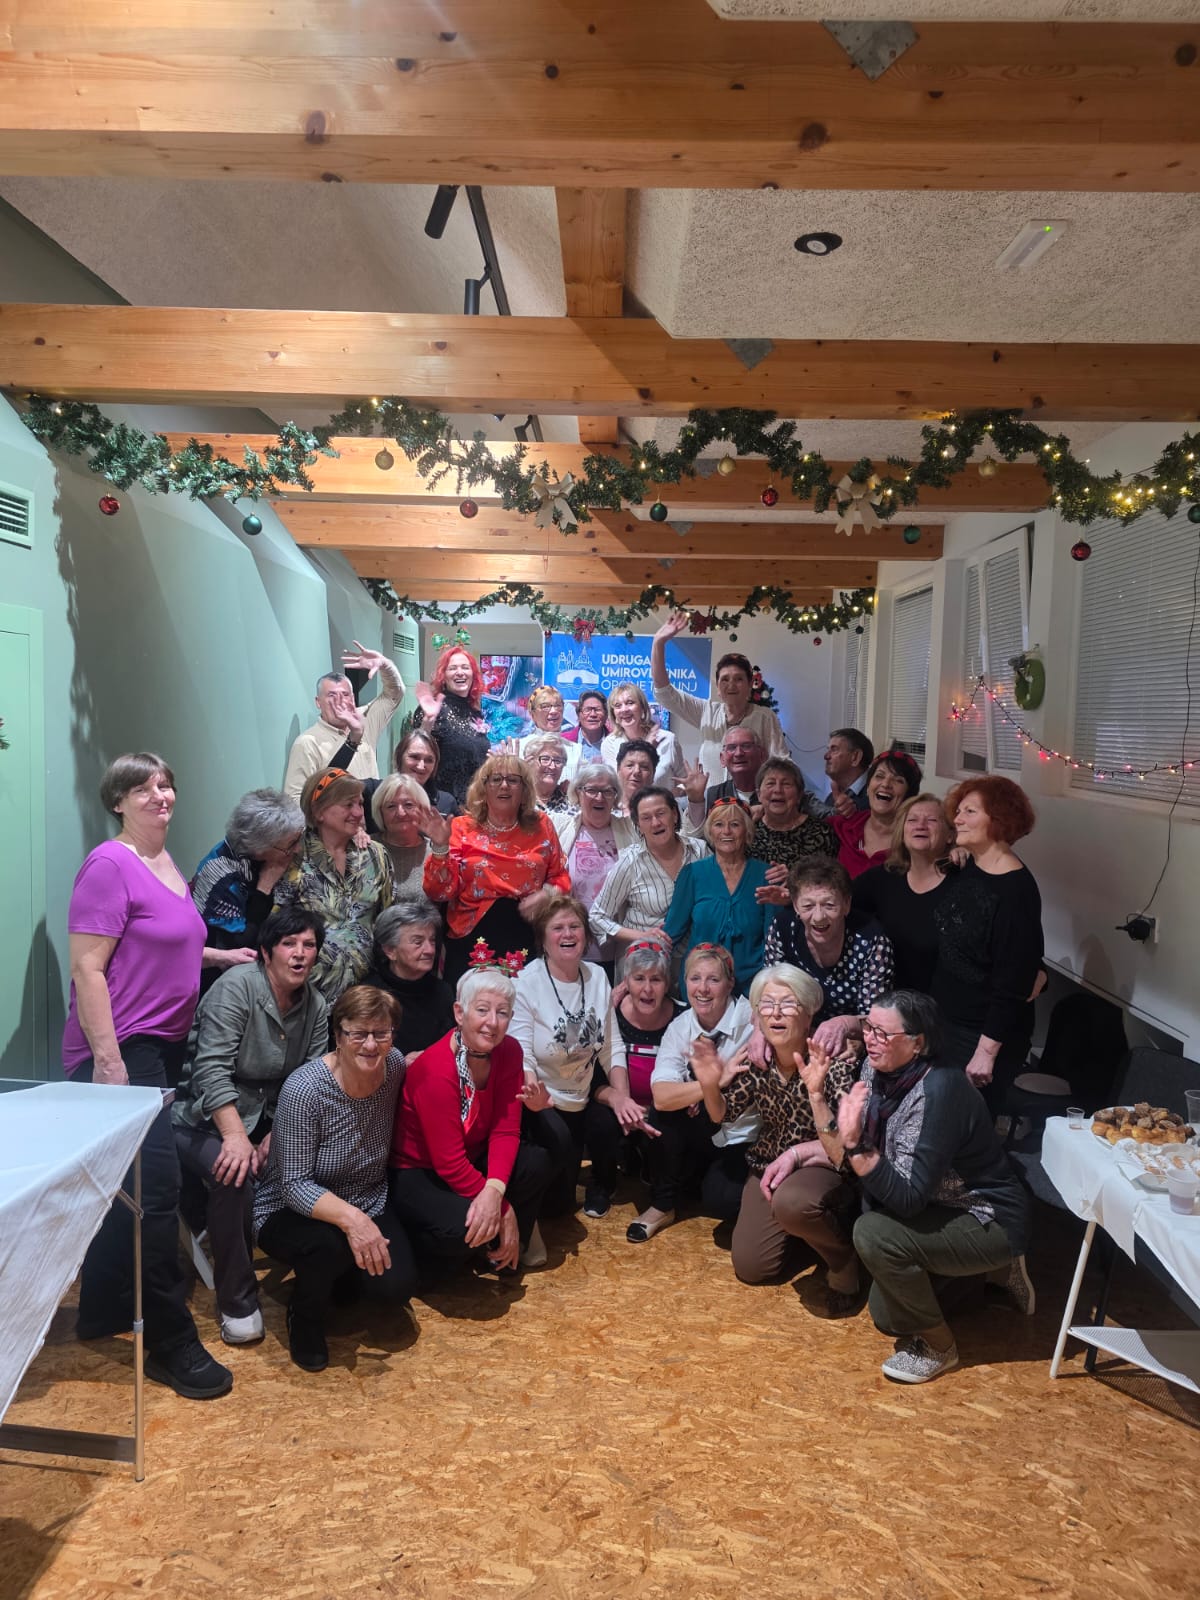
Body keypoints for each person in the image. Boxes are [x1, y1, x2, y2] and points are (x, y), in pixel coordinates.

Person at [63, 752, 231, 1400]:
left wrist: (220, 955)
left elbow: (163, 943)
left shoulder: (165, 863)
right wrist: (109, 1065)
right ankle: (170, 1341)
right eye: (142, 788)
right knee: (157, 1195)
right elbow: (88, 969)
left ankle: (103, 1310)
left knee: (126, 1191)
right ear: (118, 801)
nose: (159, 795)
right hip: (121, 1052)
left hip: (159, 1049)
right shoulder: (111, 864)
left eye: (165, 784)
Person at [840, 990, 1034, 1384]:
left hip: (985, 1215)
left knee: (873, 1234)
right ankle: (989, 1273)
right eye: (868, 1028)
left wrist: (856, 1145)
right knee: (888, 1316)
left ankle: (940, 1348)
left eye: (882, 1033)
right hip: (937, 1205)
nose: (870, 1039)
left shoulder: (940, 1090)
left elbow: (908, 1199)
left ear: (918, 1044)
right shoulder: (875, 1070)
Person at [172, 908, 329, 1345]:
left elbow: (310, 1080)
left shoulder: (316, 1005)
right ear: (265, 951)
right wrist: (237, 1137)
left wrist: (277, 1134)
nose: (300, 954)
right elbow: (210, 1070)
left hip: (269, 1118)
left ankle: (322, 1276)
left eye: (309, 945)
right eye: (288, 944)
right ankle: (237, 1301)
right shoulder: (236, 988)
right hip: (201, 1116)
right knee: (233, 1172)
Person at [253, 985, 418, 1373]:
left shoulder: (394, 1065)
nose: (371, 1045)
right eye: (358, 1033)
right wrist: (354, 1221)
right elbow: (294, 1185)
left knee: (395, 1289)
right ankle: (304, 1317)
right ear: (338, 1035)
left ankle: (339, 1279)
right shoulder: (305, 1088)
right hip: (292, 1208)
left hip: (368, 1196)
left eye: (381, 1033)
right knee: (329, 1248)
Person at [690, 964, 862, 1314]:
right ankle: (805, 1238)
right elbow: (722, 1114)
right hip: (768, 1165)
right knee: (751, 1268)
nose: (776, 1013)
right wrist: (709, 1084)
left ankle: (844, 1261)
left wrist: (815, 1097)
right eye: (767, 1004)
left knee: (794, 1202)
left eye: (788, 1003)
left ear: (809, 1012)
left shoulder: (833, 1060)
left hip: (822, 1164)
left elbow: (845, 1143)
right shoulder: (759, 1059)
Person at [389, 963, 554, 1272]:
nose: (492, 1022)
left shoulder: (510, 1051)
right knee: (463, 1230)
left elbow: (506, 1131)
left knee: (535, 1162)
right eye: (482, 1010)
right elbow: (448, 1163)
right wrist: (503, 1208)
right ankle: (432, 1251)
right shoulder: (436, 1069)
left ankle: (502, 1247)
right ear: (459, 1013)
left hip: (470, 1156)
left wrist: (494, 1192)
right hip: (420, 1170)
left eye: (502, 1013)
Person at [512, 895, 638, 1221]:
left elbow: (612, 1046)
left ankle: (603, 1183)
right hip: (543, 1101)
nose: (568, 934)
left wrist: (623, 1099)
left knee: (610, 1116)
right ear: (542, 939)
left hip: (584, 1094)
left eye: (575, 926)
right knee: (557, 1210)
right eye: (558, 928)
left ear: (586, 934)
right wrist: (534, 1096)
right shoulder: (525, 982)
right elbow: (522, 1054)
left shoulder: (596, 976)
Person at [932, 778, 1044, 1110]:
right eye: (959, 811)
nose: (957, 819)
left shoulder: (1015, 890)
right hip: (947, 1020)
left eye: (970, 812)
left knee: (965, 1125)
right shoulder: (970, 867)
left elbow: (1014, 980)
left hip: (982, 1033)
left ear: (999, 819)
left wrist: (986, 1052)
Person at [635, 944, 757, 1241]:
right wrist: (714, 1082)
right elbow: (662, 1096)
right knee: (662, 1116)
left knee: (721, 1201)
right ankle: (662, 1205)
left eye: (713, 979)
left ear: (730, 983)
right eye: (694, 978)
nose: (702, 989)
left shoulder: (753, 1022)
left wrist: (707, 1087)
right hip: (704, 1127)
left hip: (743, 1135)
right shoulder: (681, 1027)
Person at [421, 752, 571, 987]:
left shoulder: (542, 825)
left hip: (527, 932)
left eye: (513, 780)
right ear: (483, 788)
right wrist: (440, 847)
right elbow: (439, 892)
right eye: (496, 779)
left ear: (524, 790)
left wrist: (548, 893)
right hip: (470, 937)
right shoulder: (461, 827)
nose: (504, 785)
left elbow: (560, 875)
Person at [274, 768, 395, 1001]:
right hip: (306, 996)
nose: (358, 813)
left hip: (364, 996)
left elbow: (388, 920)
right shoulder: (294, 856)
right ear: (318, 811)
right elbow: (275, 926)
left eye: (360, 804)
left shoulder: (375, 855)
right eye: (348, 805)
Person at [764, 858, 895, 1056]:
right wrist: (760, 1029)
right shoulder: (783, 928)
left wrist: (846, 1024)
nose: (819, 917)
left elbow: (877, 1018)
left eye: (829, 905)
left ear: (846, 904)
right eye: (808, 906)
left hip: (854, 1041)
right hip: (794, 1035)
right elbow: (770, 993)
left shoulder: (871, 939)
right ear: (796, 906)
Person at [190, 787, 306, 992]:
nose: (297, 849)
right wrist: (264, 887)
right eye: (291, 844)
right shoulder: (222, 875)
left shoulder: (261, 856)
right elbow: (237, 947)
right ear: (261, 847)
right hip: (220, 978)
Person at [590, 786, 708, 980]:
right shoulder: (630, 862)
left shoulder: (700, 851)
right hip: (642, 966)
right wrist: (642, 935)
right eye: (646, 818)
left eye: (661, 813)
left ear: (675, 815)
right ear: (638, 824)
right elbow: (596, 917)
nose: (655, 823)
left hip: (691, 963)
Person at [651, 614, 786, 779]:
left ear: (750, 684)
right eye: (725, 680)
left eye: (739, 679)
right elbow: (665, 693)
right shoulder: (706, 711)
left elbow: (782, 763)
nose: (731, 685)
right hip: (711, 795)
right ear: (718, 688)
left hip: (753, 796)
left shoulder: (765, 717)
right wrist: (658, 643)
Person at [663, 799, 772, 994]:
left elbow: (773, 940)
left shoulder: (766, 876)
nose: (726, 831)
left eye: (735, 824)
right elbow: (672, 932)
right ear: (710, 832)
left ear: (747, 831)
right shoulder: (693, 874)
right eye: (719, 824)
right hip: (701, 986)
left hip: (753, 987)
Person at [852, 793, 957, 991]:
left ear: (950, 835)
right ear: (902, 831)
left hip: (943, 1003)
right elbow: (840, 901)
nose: (920, 826)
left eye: (932, 820)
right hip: (888, 999)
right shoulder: (881, 878)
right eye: (912, 820)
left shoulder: (964, 883)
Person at [283, 642, 405, 800]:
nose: (339, 701)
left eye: (345, 695)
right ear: (318, 702)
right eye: (331, 695)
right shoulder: (307, 743)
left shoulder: (364, 719)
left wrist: (385, 665)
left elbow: (394, 694)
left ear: (353, 698)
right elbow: (295, 798)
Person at [552, 762, 636, 963]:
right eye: (591, 790)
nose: (599, 797)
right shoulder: (560, 828)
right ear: (578, 793)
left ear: (615, 796)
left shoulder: (630, 829)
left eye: (607, 791)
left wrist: (695, 802)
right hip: (570, 947)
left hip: (618, 950)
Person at [369, 899, 456, 1060]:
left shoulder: (443, 992)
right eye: (418, 942)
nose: (430, 950)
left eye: (432, 940)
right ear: (390, 950)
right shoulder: (369, 995)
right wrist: (399, 1064)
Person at [748, 757, 838, 899]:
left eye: (786, 784)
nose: (778, 790)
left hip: (805, 908)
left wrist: (795, 878)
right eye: (770, 783)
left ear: (799, 795)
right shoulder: (748, 833)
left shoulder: (821, 833)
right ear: (759, 795)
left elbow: (833, 882)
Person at [413, 644, 491, 805]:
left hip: (475, 804)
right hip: (442, 804)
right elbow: (417, 753)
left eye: (465, 667)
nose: (460, 672)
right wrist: (426, 726)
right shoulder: (435, 710)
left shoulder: (475, 712)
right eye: (452, 668)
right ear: (444, 677)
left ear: (473, 675)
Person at [614, 940, 685, 1112]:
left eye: (656, 979)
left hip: (669, 1111)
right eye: (639, 978)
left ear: (667, 984)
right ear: (626, 982)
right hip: (619, 1110)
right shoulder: (611, 1015)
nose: (647, 988)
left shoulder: (684, 1018)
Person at [831, 748, 923, 879]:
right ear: (868, 788)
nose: (886, 784)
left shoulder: (916, 842)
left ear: (909, 796)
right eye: (879, 776)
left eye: (898, 780)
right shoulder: (844, 825)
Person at [601, 681, 685, 789]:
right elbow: (616, 785)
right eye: (618, 706)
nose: (624, 709)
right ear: (614, 715)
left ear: (642, 709)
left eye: (630, 703)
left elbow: (684, 782)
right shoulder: (609, 744)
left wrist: (669, 796)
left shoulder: (668, 739)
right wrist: (646, 749)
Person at [371, 772, 430, 894]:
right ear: (380, 812)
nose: (401, 813)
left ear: (421, 809)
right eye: (391, 806)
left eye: (408, 805)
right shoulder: (366, 849)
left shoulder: (437, 852)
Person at [806, 728, 874, 819]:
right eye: (828, 749)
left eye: (834, 750)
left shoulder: (878, 796)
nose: (826, 756)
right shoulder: (831, 799)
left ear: (855, 757)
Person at [395, 728, 458, 818]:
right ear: (399, 757)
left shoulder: (447, 803)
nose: (421, 766)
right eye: (414, 757)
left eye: (429, 760)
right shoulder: (378, 791)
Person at [523, 731, 573, 812]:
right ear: (530, 762)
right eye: (545, 759)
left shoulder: (572, 800)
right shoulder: (519, 798)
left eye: (557, 761)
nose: (552, 766)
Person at [564, 688, 610, 763]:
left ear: (606, 715)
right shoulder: (564, 741)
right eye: (587, 710)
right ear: (578, 715)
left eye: (598, 710)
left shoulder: (616, 742)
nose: (593, 714)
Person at [614, 738, 658, 814]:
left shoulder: (663, 809)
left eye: (644, 767)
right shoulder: (606, 808)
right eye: (630, 765)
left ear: (653, 773)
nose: (636, 771)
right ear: (618, 769)